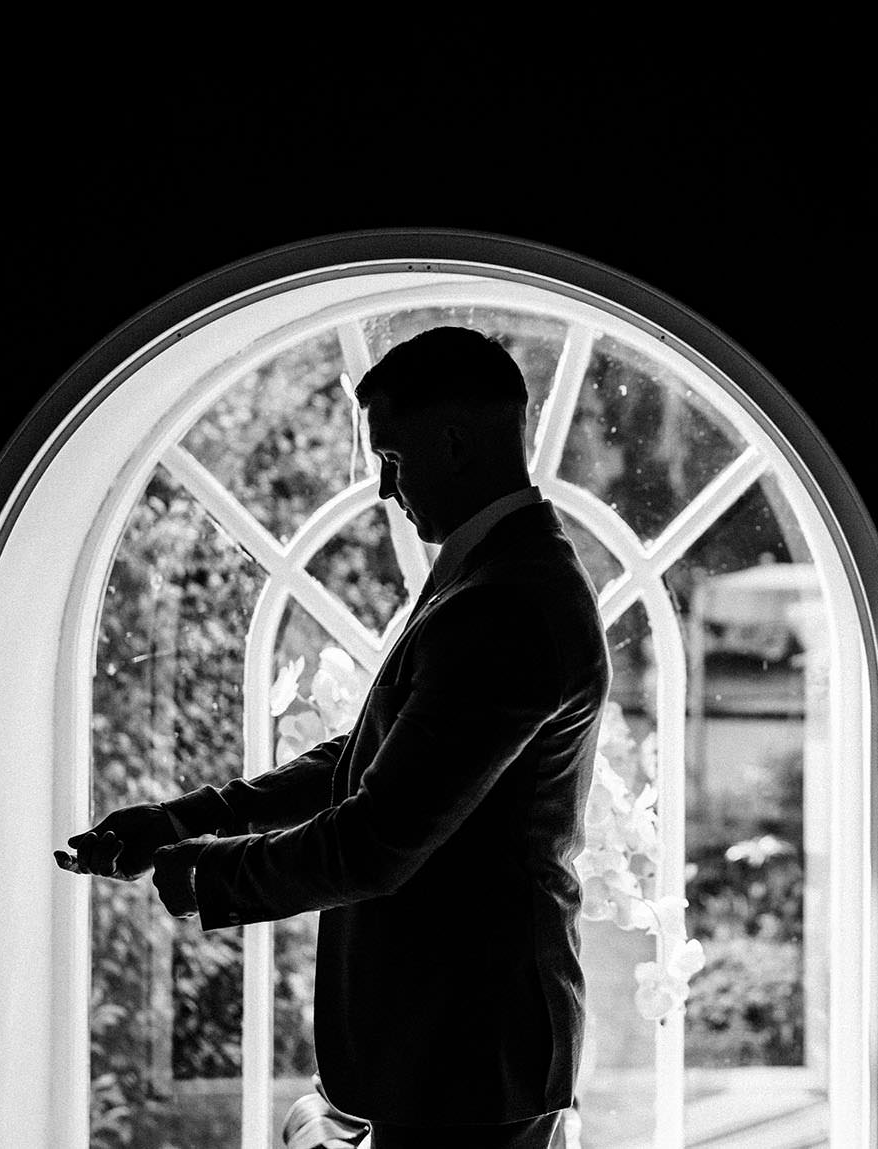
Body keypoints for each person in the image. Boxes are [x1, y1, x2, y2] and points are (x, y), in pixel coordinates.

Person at [58, 326, 609, 1149]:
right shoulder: (492, 575)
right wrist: (179, 818)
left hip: (467, 1052)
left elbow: (376, 840)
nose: (387, 490)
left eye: (392, 458)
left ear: (454, 442)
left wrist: (200, 867)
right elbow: (360, 760)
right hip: (449, 1046)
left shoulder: (505, 603)